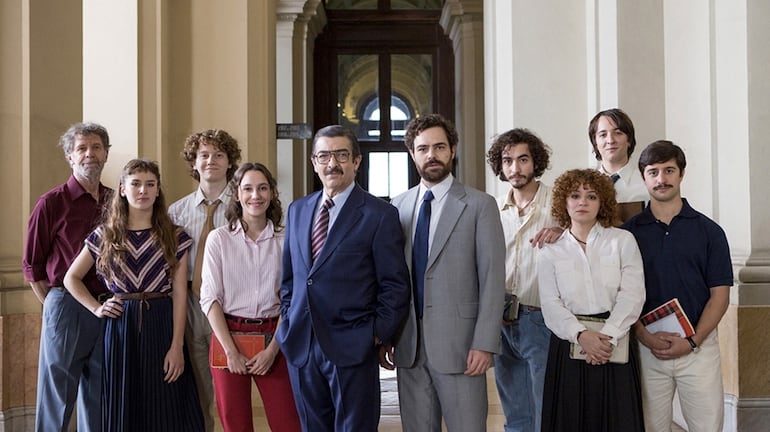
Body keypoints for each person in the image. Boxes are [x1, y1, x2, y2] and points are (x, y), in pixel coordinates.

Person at [276, 125, 410, 432]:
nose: (332, 163)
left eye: (340, 155)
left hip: (352, 344)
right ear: (313, 162)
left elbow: (394, 285)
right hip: (302, 344)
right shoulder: (298, 210)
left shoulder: (378, 214)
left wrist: (375, 335)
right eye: (324, 156)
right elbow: (290, 279)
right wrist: (287, 320)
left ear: (356, 161)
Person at [383, 114, 505, 432]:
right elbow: (390, 280)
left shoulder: (480, 205)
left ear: (452, 150)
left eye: (439, 147)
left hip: (463, 347)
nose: (431, 155)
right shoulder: (396, 207)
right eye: (423, 148)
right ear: (412, 154)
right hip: (409, 345)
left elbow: (492, 279)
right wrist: (387, 336)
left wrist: (485, 342)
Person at [64, 159, 204, 431]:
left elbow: (178, 294)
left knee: (166, 402)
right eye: (136, 184)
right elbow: (71, 278)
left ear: (158, 190)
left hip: (162, 321)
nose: (143, 190)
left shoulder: (175, 237)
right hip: (120, 326)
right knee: (123, 404)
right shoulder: (105, 235)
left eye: (150, 184)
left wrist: (177, 346)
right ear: (123, 190)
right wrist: (96, 308)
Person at [623, 141, 732, 432]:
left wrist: (693, 341)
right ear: (643, 178)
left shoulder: (709, 231)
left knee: (707, 427)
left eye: (669, 170)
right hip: (647, 346)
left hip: (699, 347)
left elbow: (720, 295)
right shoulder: (628, 234)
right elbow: (621, 295)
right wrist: (643, 335)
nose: (661, 179)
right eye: (653, 172)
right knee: (650, 427)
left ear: (681, 174)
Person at [537, 168, 646, 432]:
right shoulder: (550, 251)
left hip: (615, 341)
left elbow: (633, 294)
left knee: (618, 421)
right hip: (569, 344)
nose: (582, 202)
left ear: (603, 202)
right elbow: (551, 304)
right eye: (575, 195)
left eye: (591, 196)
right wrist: (581, 336)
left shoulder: (622, 241)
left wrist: (606, 337)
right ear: (564, 201)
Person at [22, 122, 112, 432]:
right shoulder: (51, 203)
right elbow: (32, 266)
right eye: (82, 148)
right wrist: (55, 306)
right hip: (65, 305)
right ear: (69, 156)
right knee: (57, 394)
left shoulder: (116, 203)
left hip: (109, 307)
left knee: (101, 394)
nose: (90, 154)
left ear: (106, 154)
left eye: (97, 147)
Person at [200, 162, 301, 432]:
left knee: (288, 423)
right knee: (236, 424)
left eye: (262, 188)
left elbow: (292, 301)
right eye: (248, 189)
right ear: (236, 194)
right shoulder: (218, 239)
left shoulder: (287, 240)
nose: (255, 196)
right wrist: (230, 352)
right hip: (227, 335)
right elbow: (209, 299)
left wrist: (272, 350)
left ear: (271, 193)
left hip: (274, 337)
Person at [168, 129, 242, 431]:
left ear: (229, 162)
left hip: (229, 306)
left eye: (219, 155)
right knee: (197, 389)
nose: (211, 160)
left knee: (228, 390)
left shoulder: (243, 206)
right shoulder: (177, 212)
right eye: (204, 155)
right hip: (188, 305)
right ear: (194, 163)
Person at [485, 128, 557, 432]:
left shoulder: (559, 203)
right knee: (514, 409)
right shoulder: (492, 209)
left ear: (535, 161)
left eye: (523, 159)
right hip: (501, 318)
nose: (515, 168)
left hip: (541, 317)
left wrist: (564, 234)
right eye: (508, 160)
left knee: (546, 406)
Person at [589, 108, 647, 222]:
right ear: (595, 142)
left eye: (618, 133)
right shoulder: (585, 184)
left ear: (629, 139)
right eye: (603, 134)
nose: (610, 140)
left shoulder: (647, 183)